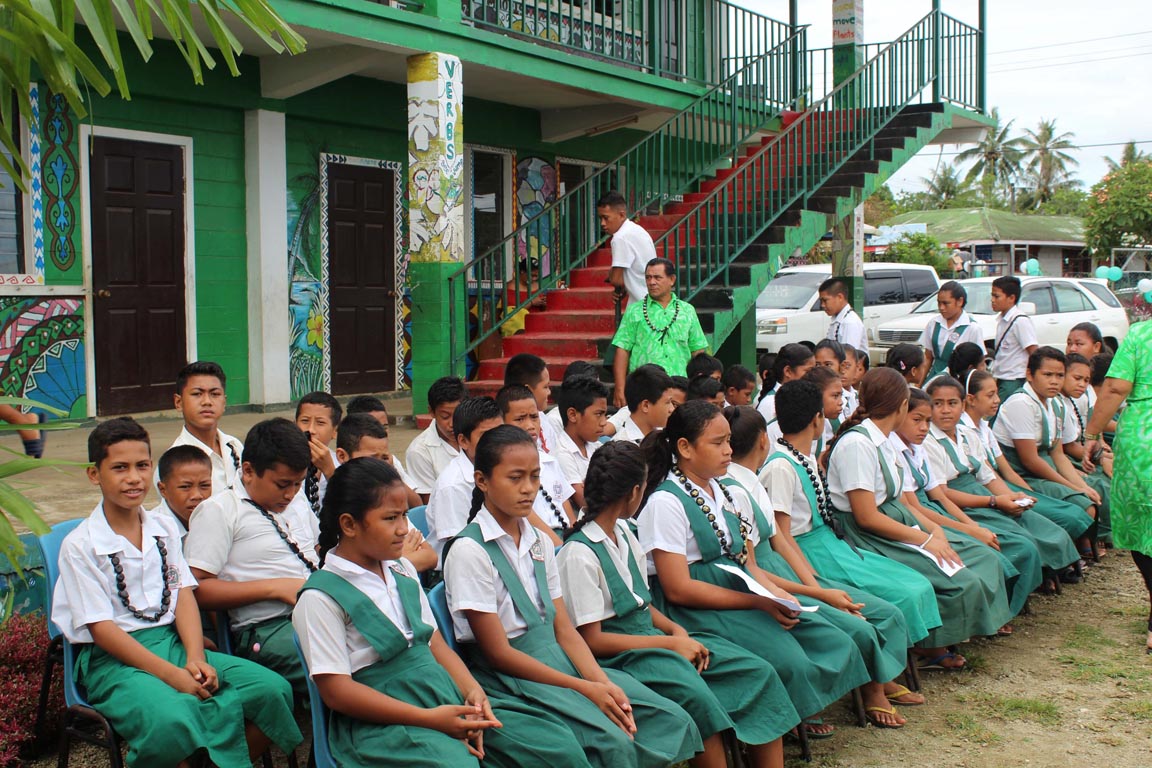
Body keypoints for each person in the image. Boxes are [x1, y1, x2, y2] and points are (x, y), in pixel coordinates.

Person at [443, 426, 703, 768]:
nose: (528, 489)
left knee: (664, 715)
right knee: (610, 742)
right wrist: (583, 688)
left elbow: (563, 629)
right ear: (482, 480)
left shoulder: (538, 540)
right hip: (512, 676)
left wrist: (600, 681)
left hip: (559, 657)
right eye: (515, 477)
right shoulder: (469, 551)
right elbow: (498, 653)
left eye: (535, 477)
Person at [54, 418, 302, 766]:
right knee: (172, 719)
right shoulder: (81, 545)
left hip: (172, 644)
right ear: (94, 474)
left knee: (272, 691)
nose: (133, 477)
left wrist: (195, 656)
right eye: (119, 467)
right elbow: (102, 630)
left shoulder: (162, 529)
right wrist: (173, 675)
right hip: (112, 660)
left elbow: (183, 593)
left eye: (141, 465)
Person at [637, 400, 873, 736]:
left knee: (829, 636)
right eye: (717, 443)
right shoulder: (666, 502)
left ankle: (793, 714)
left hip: (742, 590)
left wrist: (781, 595)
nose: (728, 451)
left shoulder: (726, 493)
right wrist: (758, 602)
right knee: (789, 661)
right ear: (685, 448)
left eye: (729, 441)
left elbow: (748, 563)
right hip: (698, 607)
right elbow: (678, 587)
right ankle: (776, 724)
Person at [558, 441, 795, 767]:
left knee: (755, 672)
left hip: (654, 639)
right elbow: (593, 639)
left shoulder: (626, 533)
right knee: (697, 698)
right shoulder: (579, 553)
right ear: (634, 492)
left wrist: (674, 629)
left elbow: (639, 603)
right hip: (624, 655)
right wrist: (669, 643)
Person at [293, 458, 511, 766]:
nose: (404, 530)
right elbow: (337, 692)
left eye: (405, 516)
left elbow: (434, 643)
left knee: (520, 741)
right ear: (349, 524)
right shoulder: (320, 597)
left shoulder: (402, 569)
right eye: (390, 518)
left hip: (437, 692)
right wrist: (429, 720)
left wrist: (473, 692)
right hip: (381, 722)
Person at [723, 406, 920, 727]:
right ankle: (864, 696)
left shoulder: (753, 482)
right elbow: (756, 559)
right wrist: (817, 592)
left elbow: (780, 540)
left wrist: (817, 586)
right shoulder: (737, 488)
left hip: (786, 569)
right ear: (763, 440)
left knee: (874, 612)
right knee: (856, 625)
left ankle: (879, 682)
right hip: (769, 579)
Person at [827, 367, 1014, 669]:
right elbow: (866, 516)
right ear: (902, 406)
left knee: (962, 560)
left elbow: (903, 500)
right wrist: (925, 539)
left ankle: (943, 638)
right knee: (956, 578)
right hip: (869, 534)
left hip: (897, 521)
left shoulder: (884, 441)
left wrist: (934, 531)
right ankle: (929, 646)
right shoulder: (858, 445)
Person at [761, 382, 943, 669]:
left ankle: (904, 660)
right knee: (898, 597)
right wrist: (812, 582)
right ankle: (885, 677)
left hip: (830, 542)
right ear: (817, 419)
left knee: (915, 582)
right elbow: (782, 537)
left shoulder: (805, 457)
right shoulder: (780, 467)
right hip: (809, 551)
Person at [185, 418, 318, 695]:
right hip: (268, 628)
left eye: (298, 483)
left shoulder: (294, 501)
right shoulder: (220, 511)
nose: (291, 493)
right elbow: (197, 590)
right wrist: (275, 588)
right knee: (348, 661)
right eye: (282, 484)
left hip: (315, 610)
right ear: (247, 471)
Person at [925, 374, 1078, 595]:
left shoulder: (968, 434)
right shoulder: (928, 441)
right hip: (963, 503)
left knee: (1041, 524)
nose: (946, 410)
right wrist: (995, 501)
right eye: (938, 404)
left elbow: (989, 477)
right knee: (1022, 542)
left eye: (952, 403)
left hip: (983, 494)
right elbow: (943, 493)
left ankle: (1045, 574)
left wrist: (1012, 497)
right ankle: (1019, 591)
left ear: (963, 404)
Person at [892, 389, 1031, 624]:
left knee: (997, 543)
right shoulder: (894, 450)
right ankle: (982, 620)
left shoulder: (919, 448)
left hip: (936, 510)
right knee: (982, 555)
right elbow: (914, 507)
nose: (924, 427)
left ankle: (996, 614)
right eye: (917, 420)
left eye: (927, 421)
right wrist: (967, 531)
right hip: (918, 517)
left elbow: (940, 497)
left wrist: (972, 525)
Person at [961, 370, 1088, 585]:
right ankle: (1047, 571)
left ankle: (1056, 566)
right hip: (982, 492)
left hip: (1002, 485)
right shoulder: (964, 431)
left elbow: (1006, 471)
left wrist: (1024, 494)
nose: (997, 400)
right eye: (990, 395)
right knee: (1043, 520)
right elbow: (987, 477)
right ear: (971, 400)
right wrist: (1008, 497)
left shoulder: (984, 428)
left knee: (1049, 510)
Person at [993, 347, 1099, 561]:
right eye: (1047, 375)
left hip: (1045, 466)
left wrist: (1080, 485)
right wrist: (1072, 486)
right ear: (1030, 375)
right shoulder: (1021, 403)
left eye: (1059, 375)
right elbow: (1030, 460)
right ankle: (1065, 557)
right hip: (1021, 474)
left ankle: (1078, 549)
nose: (1054, 381)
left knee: (1088, 493)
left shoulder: (1056, 403)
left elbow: (1057, 453)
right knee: (1081, 504)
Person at [1082, 320, 1150, 652]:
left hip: (1144, 440)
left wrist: (1092, 433)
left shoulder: (1142, 334)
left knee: (1143, 525)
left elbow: (1114, 389)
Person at [335, 414, 433, 571]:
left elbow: (430, 557)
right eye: (372, 458)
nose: (381, 466)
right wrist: (399, 559)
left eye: (385, 458)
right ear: (342, 456)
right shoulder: (341, 500)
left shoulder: (389, 496)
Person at [611, 258, 708, 405]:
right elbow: (622, 350)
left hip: (680, 391)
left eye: (657, 277)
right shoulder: (634, 311)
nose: (651, 282)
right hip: (643, 390)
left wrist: (700, 388)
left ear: (672, 280)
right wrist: (620, 388)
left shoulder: (687, 311)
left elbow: (698, 352)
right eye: (648, 277)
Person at [426, 397, 505, 562]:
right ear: (463, 441)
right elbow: (461, 551)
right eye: (486, 436)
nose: (498, 442)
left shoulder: (501, 470)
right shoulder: (453, 486)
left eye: (501, 432)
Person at [497, 384, 576, 539]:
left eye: (534, 417)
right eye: (520, 419)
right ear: (502, 422)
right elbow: (528, 518)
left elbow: (566, 507)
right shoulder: (504, 467)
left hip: (565, 537)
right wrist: (561, 547)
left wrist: (576, 537)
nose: (530, 426)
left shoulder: (550, 461)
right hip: (540, 540)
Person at [159, 361, 245, 495]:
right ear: (178, 402)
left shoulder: (235, 446)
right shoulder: (172, 462)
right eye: (197, 394)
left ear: (224, 402)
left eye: (215, 394)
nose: (207, 402)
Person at [1056, 353, 1112, 547]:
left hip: (1069, 455)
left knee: (1110, 477)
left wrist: (1101, 454)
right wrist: (1100, 459)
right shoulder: (1056, 403)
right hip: (1060, 459)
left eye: (1086, 381)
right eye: (1077, 379)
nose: (1082, 385)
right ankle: (1093, 539)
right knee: (1098, 483)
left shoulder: (1071, 400)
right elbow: (1067, 447)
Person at [406, 376, 468, 502]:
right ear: (431, 412)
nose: (452, 424)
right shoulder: (419, 451)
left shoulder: (478, 435)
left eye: (457, 415)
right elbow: (431, 504)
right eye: (445, 416)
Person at [554, 375, 611, 510]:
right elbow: (586, 502)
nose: (604, 422)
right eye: (598, 414)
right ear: (573, 415)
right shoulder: (562, 454)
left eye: (605, 415)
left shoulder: (597, 446)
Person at [601, 190, 658, 307]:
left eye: (606, 218)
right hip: (652, 299)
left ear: (622, 215)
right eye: (600, 218)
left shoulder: (620, 238)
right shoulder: (636, 230)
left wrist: (612, 275)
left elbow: (616, 279)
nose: (602, 223)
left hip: (641, 305)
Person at [920, 282, 985, 380]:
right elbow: (928, 358)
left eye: (946, 303)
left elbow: (980, 364)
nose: (941, 308)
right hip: (935, 377)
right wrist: (919, 384)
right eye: (939, 303)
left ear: (960, 301)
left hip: (958, 380)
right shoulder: (933, 323)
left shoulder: (972, 328)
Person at [990, 276, 1038, 403]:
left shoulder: (1020, 321)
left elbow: (1033, 351)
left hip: (1014, 380)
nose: (992, 300)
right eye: (992, 296)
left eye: (997, 296)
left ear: (1011, 298)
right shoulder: (1002, 320)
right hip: (1002, 378)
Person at [295, 391, 343, 516]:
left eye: (320, 423)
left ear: (335, 431)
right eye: (304, 421)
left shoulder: (342, 465)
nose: (310, 429)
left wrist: (329, 471)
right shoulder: (282, 462)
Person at [505, 353, 563, 455]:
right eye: (545, 387)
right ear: (528, 390)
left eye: (534, 417)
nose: (549, 392)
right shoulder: (506, 425)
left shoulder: (544, 420)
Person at [155, 445, 213, 534]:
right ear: (163, 490)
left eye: (205, 485)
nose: (196, 495)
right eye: (185, 487)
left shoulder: (220, 521)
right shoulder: (153, 531)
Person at [612, 364, 675, 444]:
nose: (672, 409)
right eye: (668, 402)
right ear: (645, 405)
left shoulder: (664, 436)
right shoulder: (620, 447)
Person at [756, 343, 815, 422]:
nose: (813, 376)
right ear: (788, 371)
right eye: (808, 371)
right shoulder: (770, 404)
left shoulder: (800, 397)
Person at [502, 257, 548, 337]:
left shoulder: (536, 285)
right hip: (520, 325)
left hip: (537, 322)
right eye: (532, 275)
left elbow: (542, 308)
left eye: (536, 276)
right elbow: (511, 312)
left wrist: (544, 304)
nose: (534, 279)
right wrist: (531, 302)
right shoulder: (511, 286)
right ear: (522, 272)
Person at [818, 278, 866, 352]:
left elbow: (848, 357)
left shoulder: (849, 322)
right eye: (821, 301)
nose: (822, 305)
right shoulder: (838, 318)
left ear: (840, 297)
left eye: (825, 300)